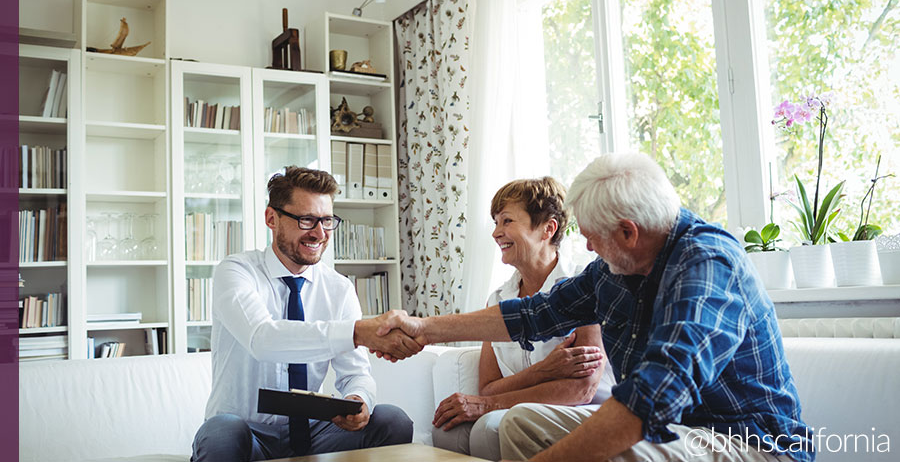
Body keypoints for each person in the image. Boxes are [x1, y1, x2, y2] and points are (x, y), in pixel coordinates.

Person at [373, 152, 812, 462]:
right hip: (673, 433)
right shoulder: (615, 270)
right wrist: (422, 327)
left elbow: (652, 400)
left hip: (749, 444)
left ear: (628, 232)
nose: (585, 245)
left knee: (619, 452)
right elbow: (534, 314)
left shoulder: (707, 264)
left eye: (593, 234)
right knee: (524, 426)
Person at [191, 166, 422, 462]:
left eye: (327, 220)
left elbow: (356, 374)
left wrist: (358, 399)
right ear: (271, 219)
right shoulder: (236, 271)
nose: (319, 233)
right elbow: (263, 339)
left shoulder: (338, 288)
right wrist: (357, 332)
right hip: (247, 433)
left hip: (314, 434)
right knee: (221, 431)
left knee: (392, 420)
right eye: (306, 220)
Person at [431, 177, 617, 460]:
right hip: (519, 406)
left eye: (507, 221)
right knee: (447, 430)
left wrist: (488, 405)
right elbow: (488, 386)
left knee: (489, 426)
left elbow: (582, 389)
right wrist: (542, 371)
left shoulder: (583, 287)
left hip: (582, 407)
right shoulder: (498, 300)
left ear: (548, 228)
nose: (496, 232)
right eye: (495, 222)